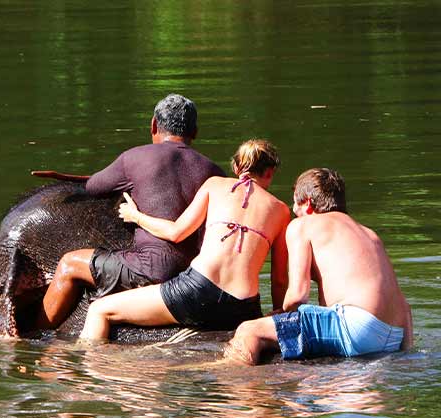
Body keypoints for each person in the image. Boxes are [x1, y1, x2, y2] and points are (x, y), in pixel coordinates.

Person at [36, 94, 224, 329]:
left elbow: (94, 187)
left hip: (151, 269)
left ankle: (35, 339)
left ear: (154, 125)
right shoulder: (215, 172)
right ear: (194, 132)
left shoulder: (135, 157)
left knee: (69, 264)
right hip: (195, 275)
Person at [78, 139, 290, 343]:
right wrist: (278, 310)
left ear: (236, 167)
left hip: (197, 292)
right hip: (243, 306)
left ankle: (89, 374)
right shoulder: (281, 210)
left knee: (100, 310)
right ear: (270, 172)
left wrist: (135, 216)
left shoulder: (215, 185)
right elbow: (279, 279)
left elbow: (176, 232)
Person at [224, 168, 413, 365]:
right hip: (395, 334)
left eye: (295, 207)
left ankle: (232, 382)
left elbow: (298, 295)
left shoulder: (304, 225)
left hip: (357, 328)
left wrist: (282, 313)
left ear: (307, 203)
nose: (294, 214)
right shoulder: (370, 234)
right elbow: (405, 307)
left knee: (248, 330)